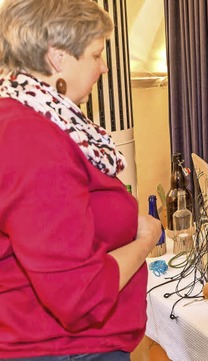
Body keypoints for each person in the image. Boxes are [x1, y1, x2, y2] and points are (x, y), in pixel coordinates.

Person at [0, 0, 162, 359]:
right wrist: (145, 239)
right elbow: (80, 296)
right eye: (96, 54)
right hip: (63, 348)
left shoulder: (39, 119)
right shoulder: (32, 139)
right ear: (58, 57)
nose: (104, 68)